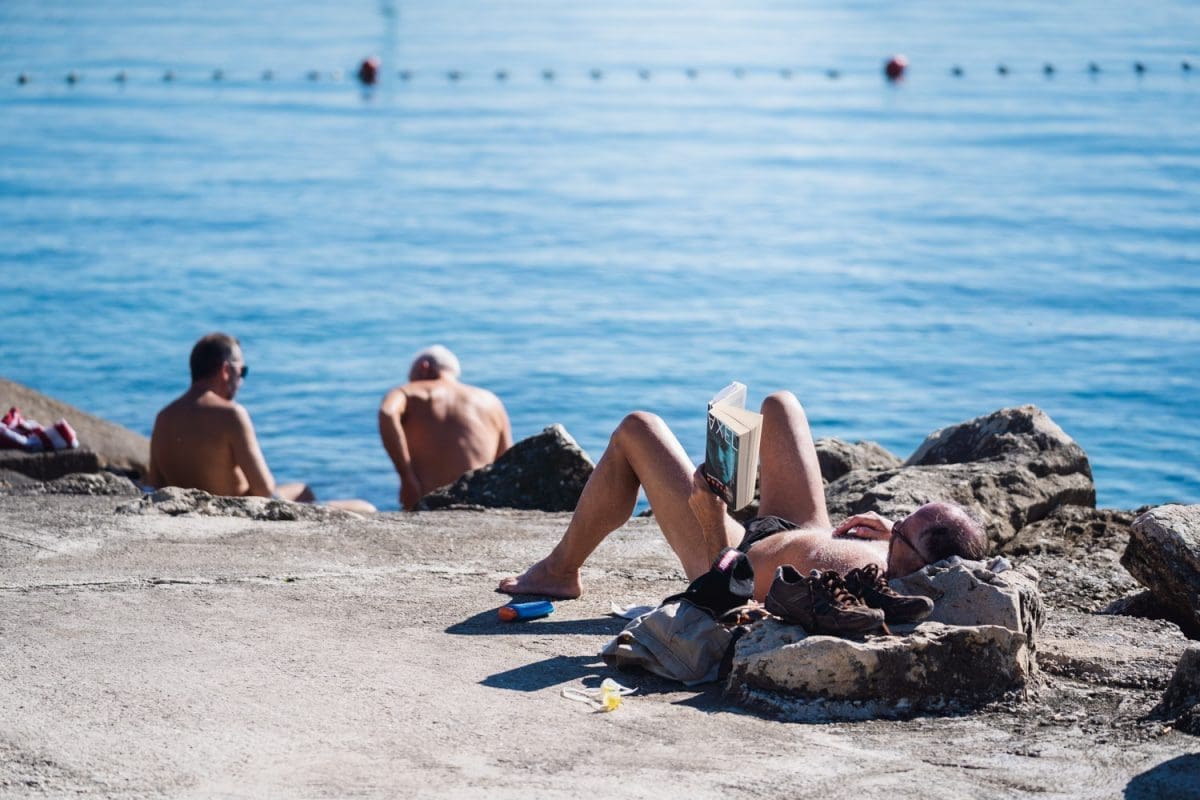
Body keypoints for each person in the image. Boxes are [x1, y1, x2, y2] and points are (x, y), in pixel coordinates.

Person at [499, 391, 986, 602]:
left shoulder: (861, 594)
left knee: (638, 428)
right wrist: (892, 535)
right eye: (902, 519)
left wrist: (711, 516)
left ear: (926, 565)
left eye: (903, 533)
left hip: (730, 560)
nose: (893, 526)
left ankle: (559, 572)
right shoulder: (908, 563)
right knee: (780, 405)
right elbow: (935, 550)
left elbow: (728, 602)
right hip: (801, 528)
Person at [147, 333, 375, 513]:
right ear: (226, 370)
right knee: (365, 508)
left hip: (189, 511)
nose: (242, 380)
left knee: (301, 489)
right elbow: (264, 491)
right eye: (242, 371)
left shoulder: (163, 417)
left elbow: (156, 484)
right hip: (234, 513)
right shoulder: (231, 415)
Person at [378, 345, 512, 510]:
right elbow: (506, 459)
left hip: (429, 504)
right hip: (481, 503)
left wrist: (406, 478)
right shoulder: (492, 401)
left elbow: (387, 412)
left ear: (424, 368)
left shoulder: (407, 392)